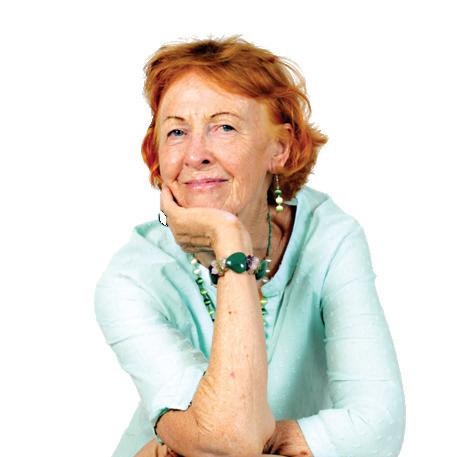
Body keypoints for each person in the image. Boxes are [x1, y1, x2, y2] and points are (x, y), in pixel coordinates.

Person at [94, 36, 406, 457]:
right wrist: (230, 244)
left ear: (280, 148)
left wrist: (220, 439)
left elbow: (378, 427)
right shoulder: (133, 277)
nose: (196, 154)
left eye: (224, 127)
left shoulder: (330, 238)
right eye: (177, 131)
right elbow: (229, 440)